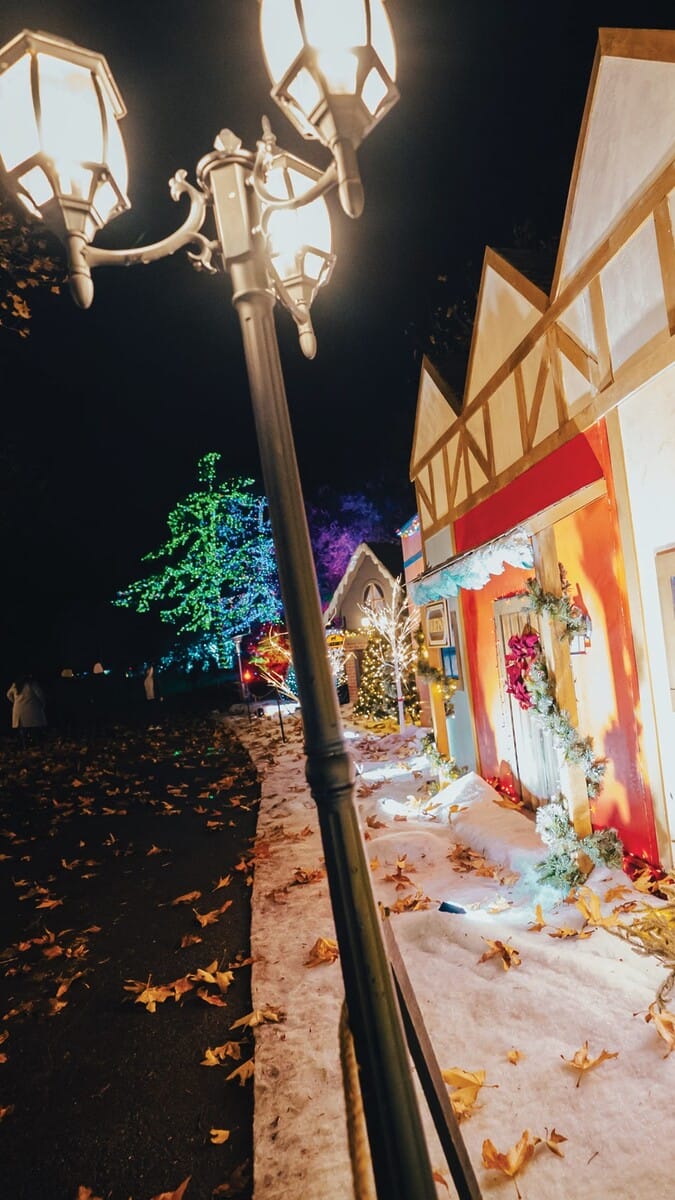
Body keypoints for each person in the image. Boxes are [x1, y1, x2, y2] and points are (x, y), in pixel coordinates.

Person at [6, 675, 47, 744]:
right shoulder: (32, 684)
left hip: (18, 711)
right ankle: (35, 744)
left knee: (22, 731)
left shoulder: (15, 685)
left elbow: (8, 695)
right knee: (34, 730)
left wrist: (15, 702)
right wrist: (42, 704)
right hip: (32, 711)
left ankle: (24, 745)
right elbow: (40, 695)